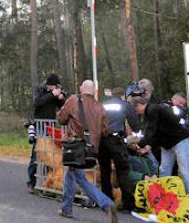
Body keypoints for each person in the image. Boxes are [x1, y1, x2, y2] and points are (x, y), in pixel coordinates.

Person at [56, 80, 118, 221]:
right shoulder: (100, 107)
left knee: (79, 178)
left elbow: (61, 118)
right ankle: (66, 208)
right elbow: (105, 130)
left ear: (81, 88)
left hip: (76, 146)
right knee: (71, 175)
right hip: (92, 148)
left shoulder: (73, 100)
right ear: (94, 90)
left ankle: (106, 204)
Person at [130, 95, 189, 193]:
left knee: (184, 171)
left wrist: (139, 145)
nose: (136, 112)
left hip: (179, 140)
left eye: (136, 110)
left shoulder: (152, 110)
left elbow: (151, 131)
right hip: (166, 143)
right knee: (164, 170)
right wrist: (147, 146)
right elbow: (154, 133)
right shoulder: (150, 111)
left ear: (139, 105)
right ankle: (163, 194)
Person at [100, 86, 140, 212]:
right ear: (123, 96)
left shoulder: (103, 104)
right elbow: (134, 123)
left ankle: (107, 202)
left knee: (105, 171)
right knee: (123, 170)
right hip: (116, 141)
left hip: (102, 140)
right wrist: (138, 133)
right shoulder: (124, 105)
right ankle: (128, 203)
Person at [27, 74, 66, 193]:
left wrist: (60, 98)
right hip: (40, 127)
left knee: (52, 156)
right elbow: (37, 103)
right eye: (54, 87)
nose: (54, 89)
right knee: (36, 156)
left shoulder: (54, 92)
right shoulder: (38, 90)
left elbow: (62, 106)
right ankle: (31, 183)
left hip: (51, 128)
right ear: (49, 85)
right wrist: (51, 95)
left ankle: (49, 183)